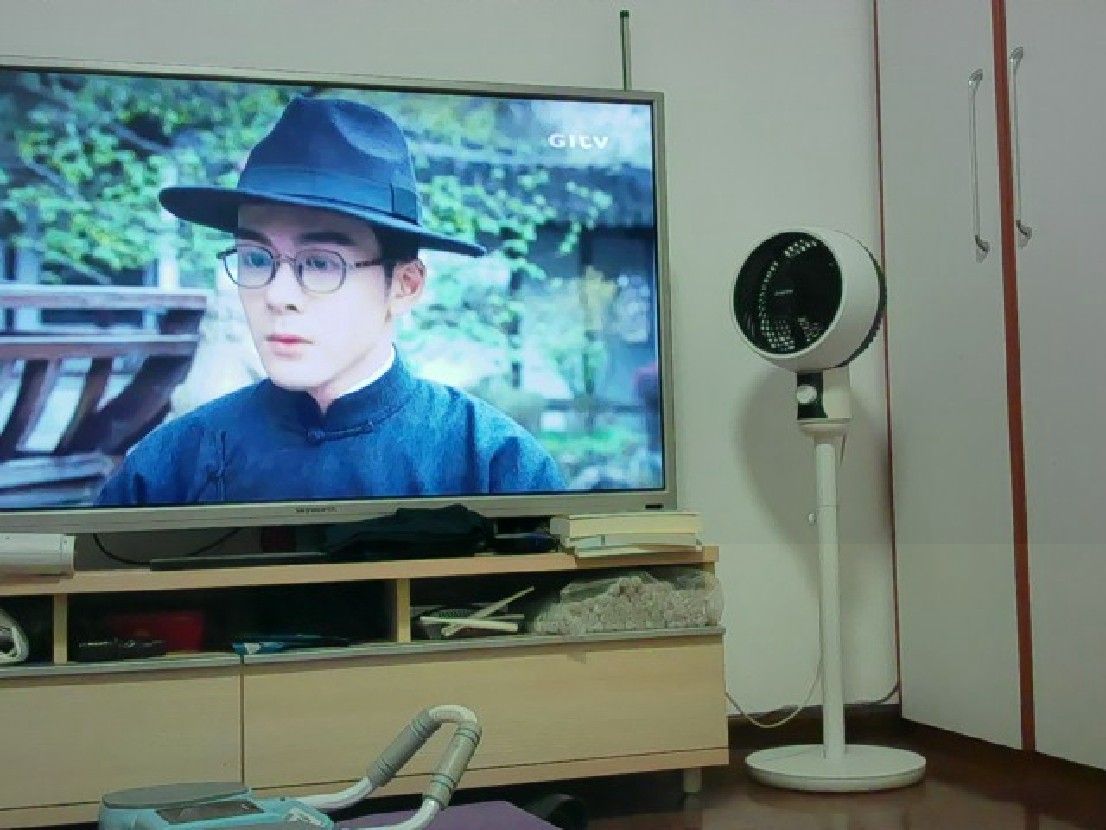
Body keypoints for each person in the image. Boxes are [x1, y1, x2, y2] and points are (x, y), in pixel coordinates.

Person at [96, 96, 565, 506]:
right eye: (255, 258)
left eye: (320, 263)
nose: (277, 296)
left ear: (404, 285)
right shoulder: (167, 468)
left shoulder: (495, 467)